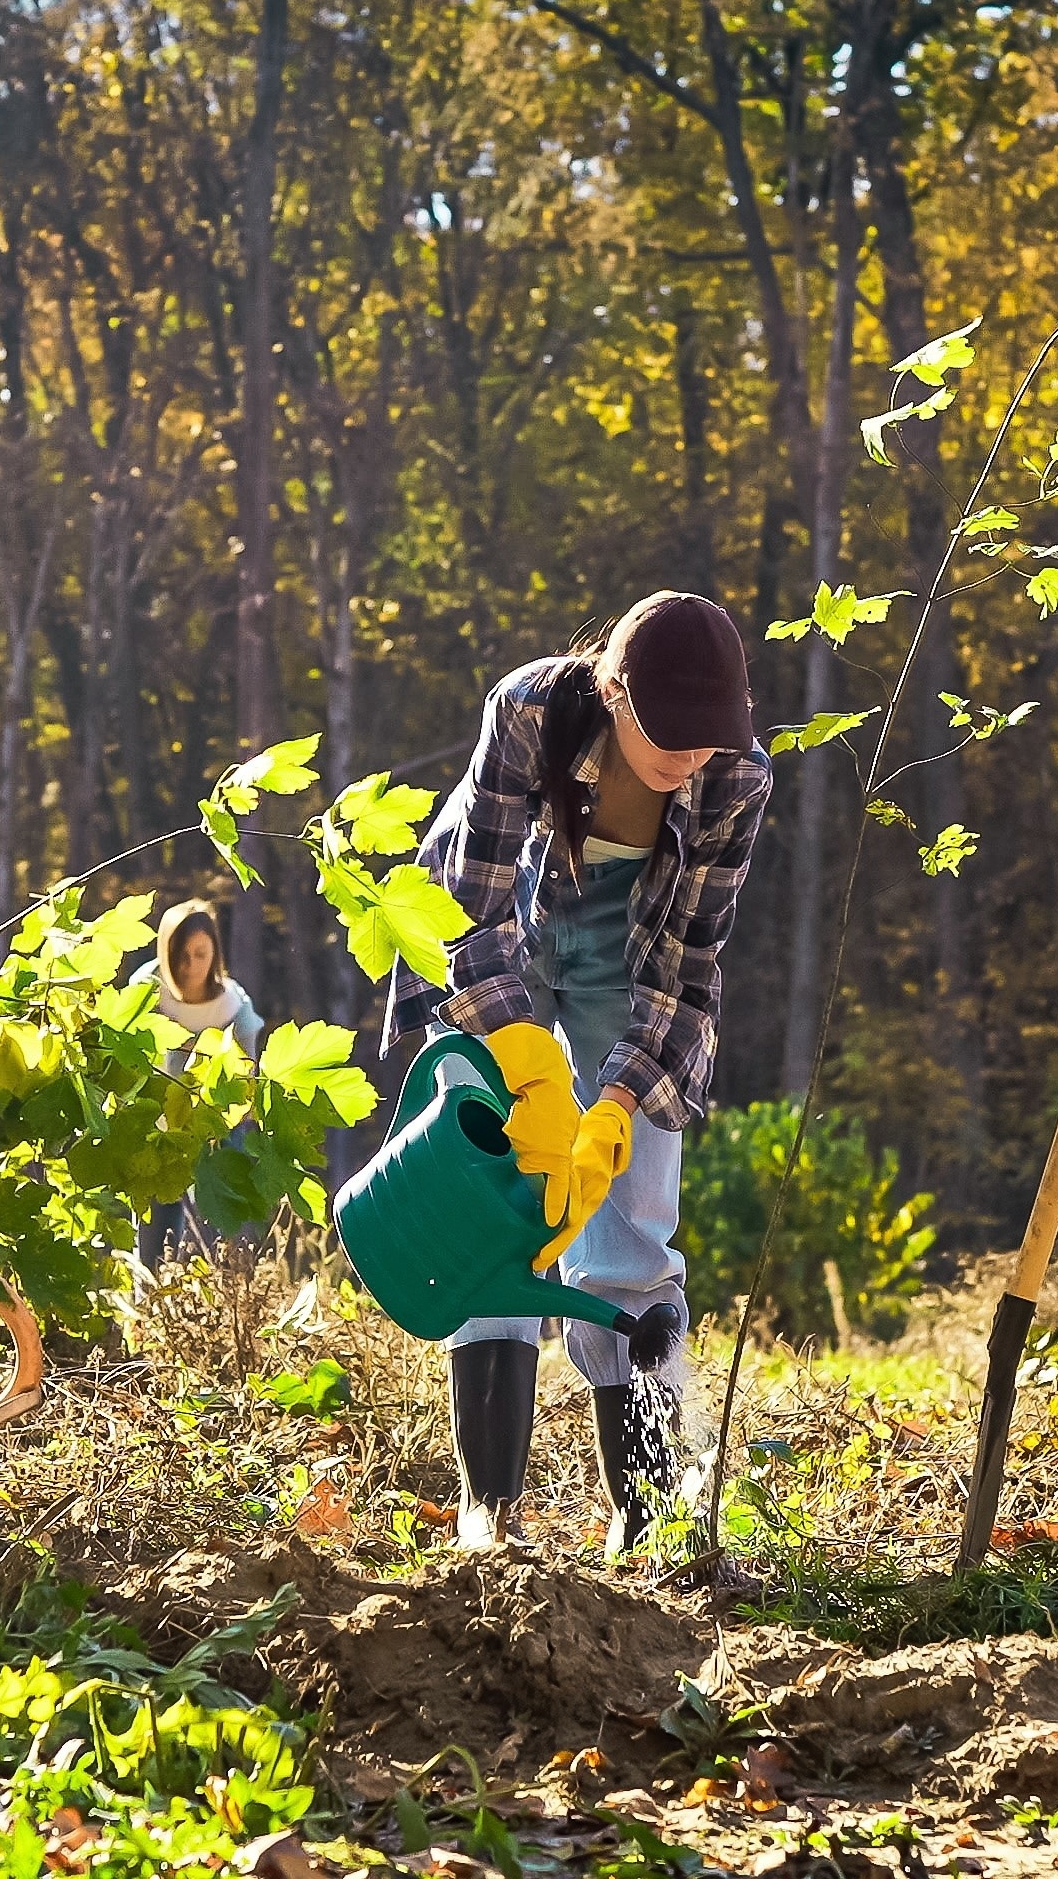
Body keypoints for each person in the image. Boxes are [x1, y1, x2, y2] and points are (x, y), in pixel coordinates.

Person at [385, 590, 768, 1555]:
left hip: (629, 962)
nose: (688, 760)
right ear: (614, 693)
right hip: (504, 938)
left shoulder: (735, 781)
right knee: (497, 1208)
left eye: (707, 742)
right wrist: (526, 1065)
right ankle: (491, 1508)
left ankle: (650, 1520)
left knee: (633, 1229)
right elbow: (461, 912)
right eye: (668, 736)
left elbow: (687, 969)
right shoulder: (528, 712)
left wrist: (614, 1103)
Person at [131, 897, 271, 1265]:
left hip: (215, 1135)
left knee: (209, 1238)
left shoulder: (234, 1011)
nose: (190, 965)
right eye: (181, 955)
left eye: (200, 954)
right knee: (152, 1238)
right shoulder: (144, 993)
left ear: (214, 954)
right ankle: (149, 1316)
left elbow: (245, 1080)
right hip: (156, 1132)